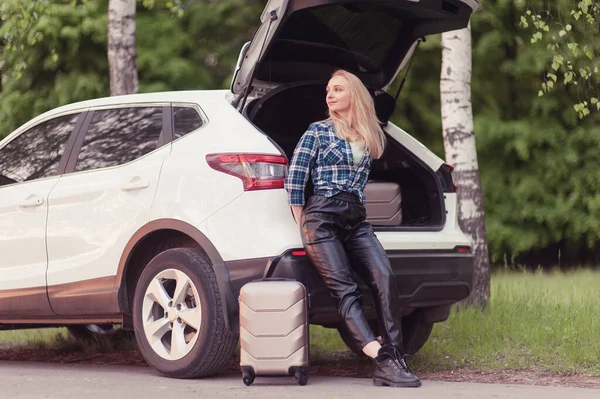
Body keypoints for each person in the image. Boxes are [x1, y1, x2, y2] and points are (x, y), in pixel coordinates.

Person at [284, 70, 421, 388]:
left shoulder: (369, 135)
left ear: (354, 95)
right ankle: (382, 360)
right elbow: (295, 182)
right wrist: (304, 225)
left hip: (356, 220)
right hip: (321, 219)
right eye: (328, 90)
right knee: (345, 290)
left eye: (338, 89)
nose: (329, 95)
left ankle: (395, 354)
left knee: (384, 277)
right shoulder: (317, 132)